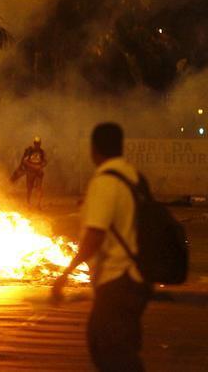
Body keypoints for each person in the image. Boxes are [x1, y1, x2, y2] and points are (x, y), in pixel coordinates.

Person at [52, 123, 151, 371]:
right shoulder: (134, 177)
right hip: (137, 279)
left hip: (118, 279)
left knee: (111, 352)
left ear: (94, 149)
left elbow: (95, 235)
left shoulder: (105, 182)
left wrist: (65, 274)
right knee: (113, 347)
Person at [19, 136, 48, 208]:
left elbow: (45, 161)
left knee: (39, 188)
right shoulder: (29, 151)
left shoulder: (42, 152)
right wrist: (33, 166)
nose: (37, 145)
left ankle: (38, 204)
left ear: (40, 143)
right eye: (36, 143)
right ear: (34, 143)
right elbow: (24, 161)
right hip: (30, 172)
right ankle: (28, 203)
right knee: (29, 188)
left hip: (38, 172)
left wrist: (40, 166)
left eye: (38, 143)